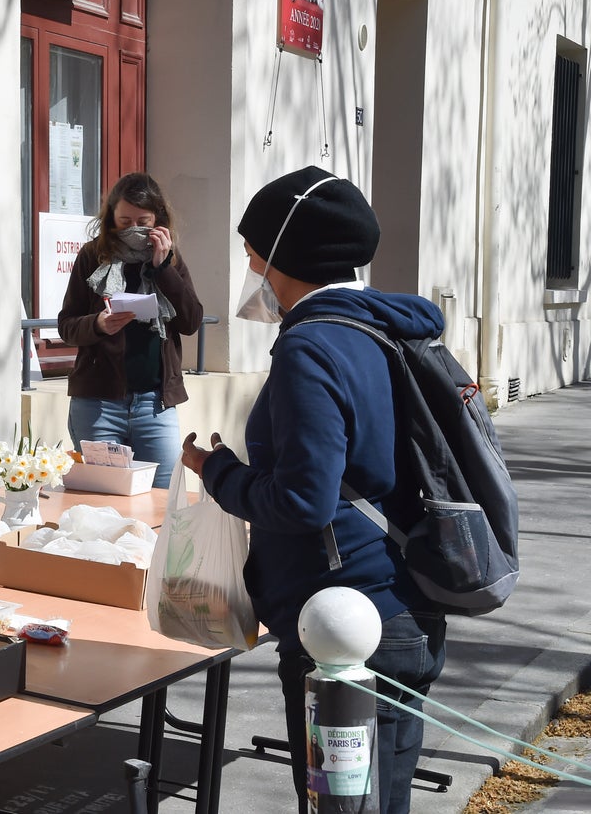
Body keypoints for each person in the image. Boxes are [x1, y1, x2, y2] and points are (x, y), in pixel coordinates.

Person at [180, 166, 447, 814]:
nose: (251, 272)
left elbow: (305, 499)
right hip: (401, 607)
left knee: (343, 808)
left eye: (253, 255)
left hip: (346, 627)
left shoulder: (311, 347)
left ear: (286, 257)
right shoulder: (382, 331)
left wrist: (215, 473)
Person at [57, 172, 204, 488]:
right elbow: (67, 325)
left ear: (158, 220)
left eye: (143, 220)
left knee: (163, 498)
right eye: (124, 221)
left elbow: (191, 321)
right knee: (102, 501)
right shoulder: (92, 255)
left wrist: (163, 269)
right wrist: (97, 324)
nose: (134, 228)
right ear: (111, 217)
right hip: (98, 404)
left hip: (154, 405)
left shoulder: (170, 258)